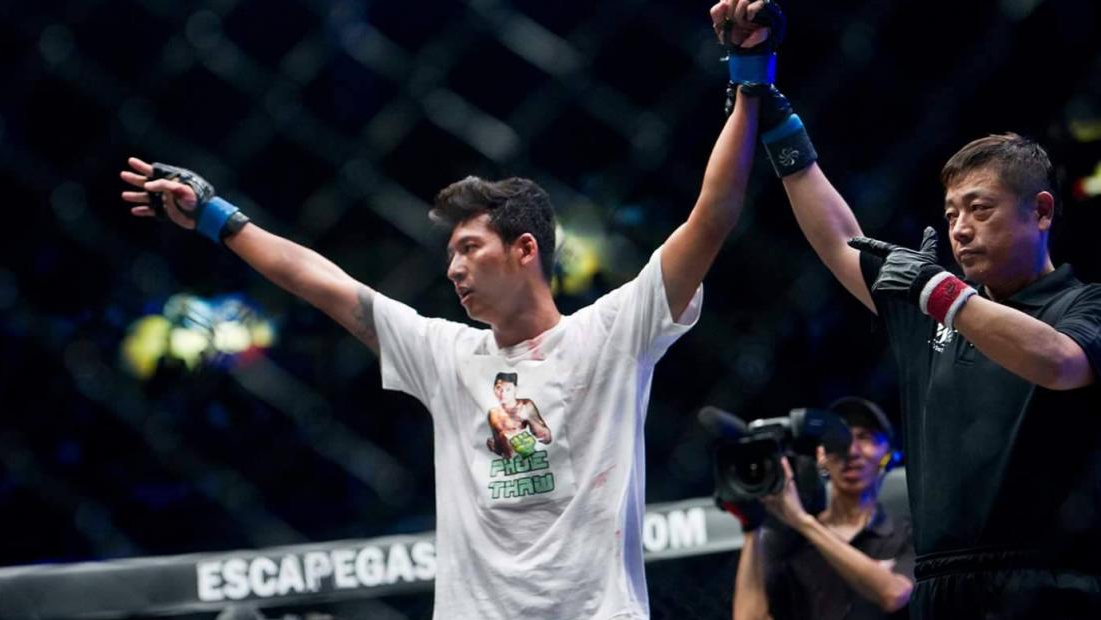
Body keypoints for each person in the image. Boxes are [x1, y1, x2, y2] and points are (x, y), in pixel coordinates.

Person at [118, 2, 776, 616]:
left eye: (469, 248)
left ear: (525, 249)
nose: (453, 268)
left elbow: (711, 216)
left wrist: (749, 80)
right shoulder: (446, 353)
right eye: (450, 253)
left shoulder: (611, 332)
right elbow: (324, 284)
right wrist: (219, 218)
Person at [730, 10, 1101, 616]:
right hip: (938, 586)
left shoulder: (1085, 303)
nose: (960, 228)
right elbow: (839, 240)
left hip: (1050, 584)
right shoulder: (930, 303)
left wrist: (942, 294)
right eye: (951, 214)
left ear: (1040, 212)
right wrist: (771, 112)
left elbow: (1060, 362)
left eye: (979, 209)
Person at [731, 397, 914, 620]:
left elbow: (895, 594)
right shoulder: (786, 541)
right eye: (838, 438)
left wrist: (803, 522)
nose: (851, 450)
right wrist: (751, 526)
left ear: (888, 453)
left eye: (865, 437)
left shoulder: (908, 534)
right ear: (820, 456)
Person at [485, 372, 552, 459]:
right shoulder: (493, 413)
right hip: (510, 461)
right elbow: (499, 449)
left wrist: (530, 418)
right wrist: (493, 446)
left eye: (508, 389)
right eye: (499, 388)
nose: (502, 393)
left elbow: (546, 438)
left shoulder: (525, 405)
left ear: (515, 389)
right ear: (494, 389)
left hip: (530, 456)